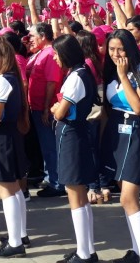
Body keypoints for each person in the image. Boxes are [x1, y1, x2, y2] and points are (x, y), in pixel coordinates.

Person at [100, 28, 140, 263]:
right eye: (111, 49)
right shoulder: (110, 73)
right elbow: (107, 110)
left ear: (130, 48)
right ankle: (136, 251)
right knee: (126, 197)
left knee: (128, 198)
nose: (115, 53)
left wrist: (124, 76)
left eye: (120, 48)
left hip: (136, 132)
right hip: (117, 134)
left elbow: (138, 107)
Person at [0, 37, 30, 259]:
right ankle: (19, 234)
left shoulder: (2, 80)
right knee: (15, 188)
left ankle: (15, 242)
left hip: (1, 137)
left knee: (6, 190)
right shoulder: (12, 78)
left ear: (4, 58)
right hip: (12, 135)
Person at [50, 35, 99, 263]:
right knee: (79, 194)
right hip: (75, 133)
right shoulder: (81, 73)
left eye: (56, 53)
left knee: (75, 195)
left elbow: (61, 112)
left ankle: (84, 252)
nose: (54, 57)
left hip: (71, 133)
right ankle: (86, 249)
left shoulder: (76, 77)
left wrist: (55, 108)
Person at [26, 22, 64, 197]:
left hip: (44, 108)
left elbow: (52, 82)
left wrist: (46, 108)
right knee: (45, 145)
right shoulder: (40, 53)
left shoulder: (49, 54)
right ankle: (51, 178)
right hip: (37, 106)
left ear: (42, 36)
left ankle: (57, 182)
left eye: (32, 36)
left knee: (50, 145)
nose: (29, 39)